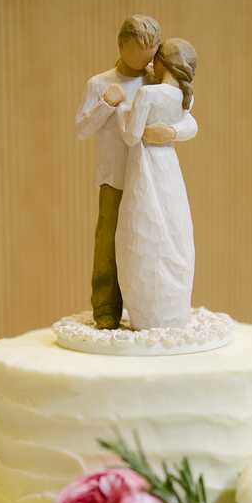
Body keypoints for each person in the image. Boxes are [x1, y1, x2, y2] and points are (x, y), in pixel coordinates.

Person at [74, 16, 197, 329]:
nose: (148, 61)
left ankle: (147, 309)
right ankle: (105, 311)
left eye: (152, 53)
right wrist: (106, 103)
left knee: (148, 245)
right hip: (116, 178)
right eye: (141, 53)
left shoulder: (155, 82)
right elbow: (81, 130)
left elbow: (188, 119)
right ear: (122, 46)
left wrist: (170, 131)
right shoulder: (100, 83)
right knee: (108, 245)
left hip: (150, 180)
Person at [115, 39, 198, 331]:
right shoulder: (185, 97)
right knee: (174, 229)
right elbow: (192, 126)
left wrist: (121, 111)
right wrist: (173, 132)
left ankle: (147, 312)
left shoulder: (147, 94)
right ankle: (173, 309)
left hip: (146, 168)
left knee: (143, 233)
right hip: (169, 170)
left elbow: (130, 136)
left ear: (159, 63)